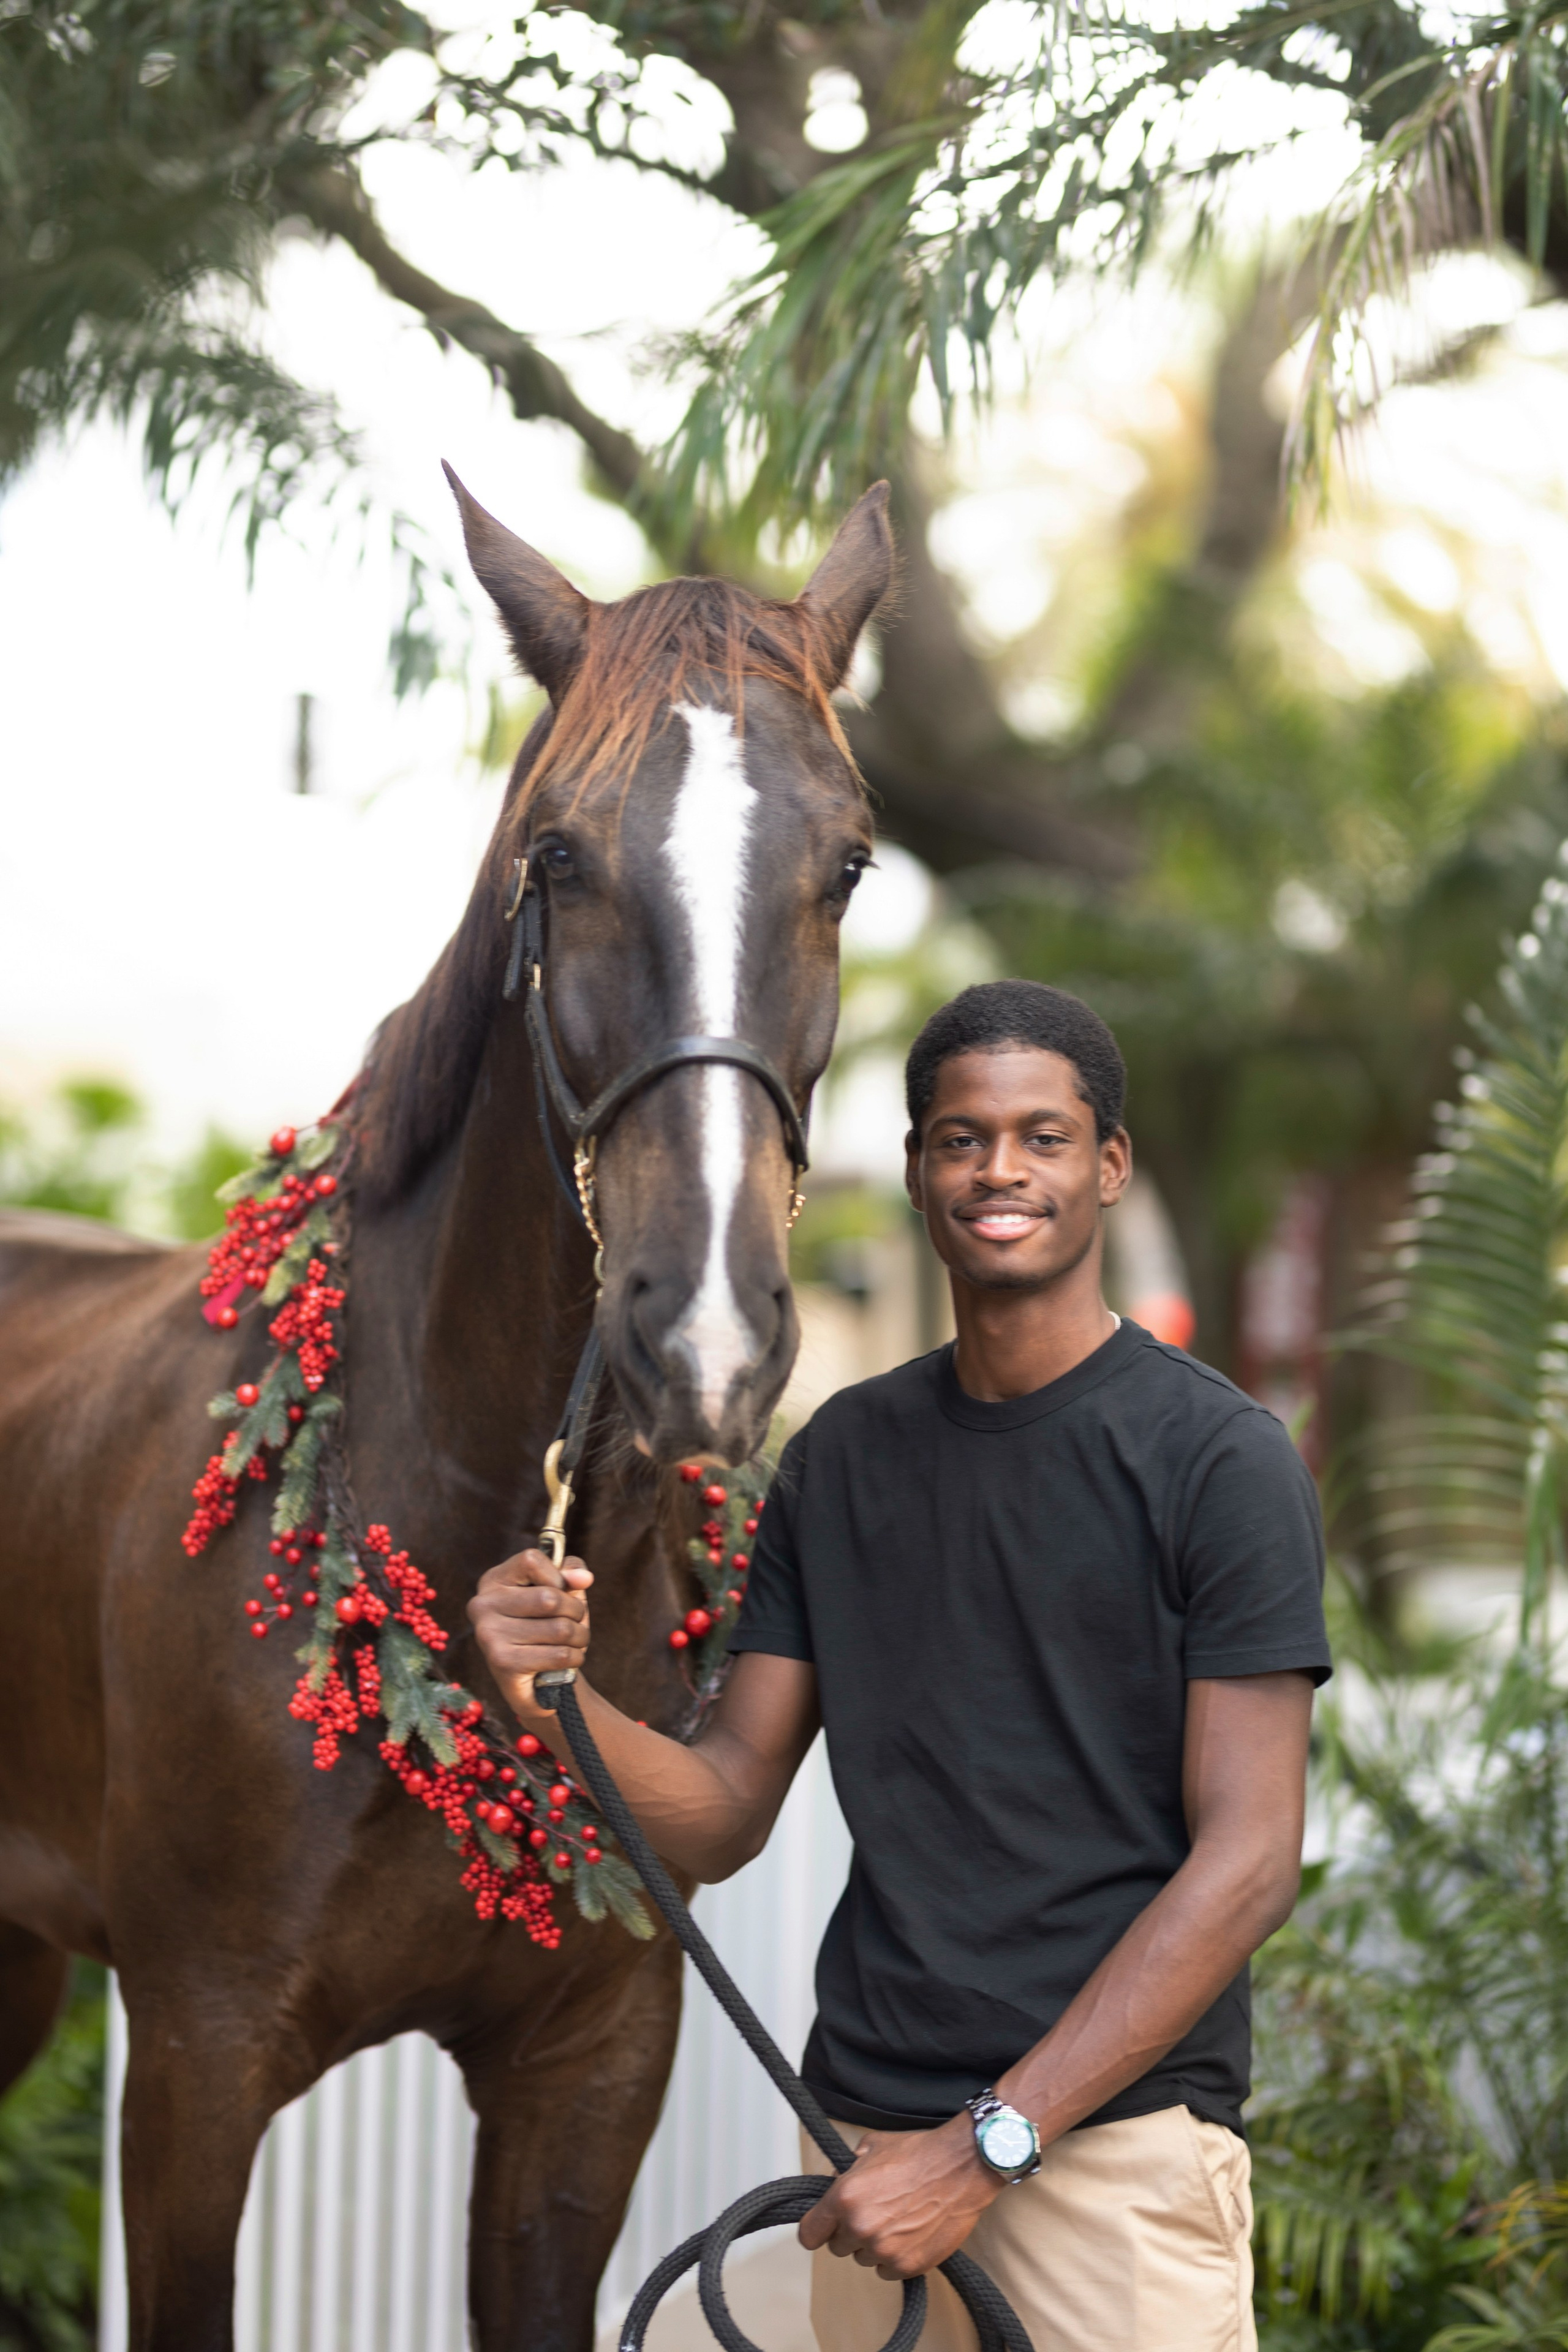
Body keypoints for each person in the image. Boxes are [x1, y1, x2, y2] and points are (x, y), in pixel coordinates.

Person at [469, 978, 1330, 2352]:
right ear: (919, 1170)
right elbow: (725, 1805)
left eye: (1041, 1137)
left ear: (1106, 1167)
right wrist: (551, 1702)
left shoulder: (1214, 1462)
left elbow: (1246, 1862)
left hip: (1102, 2162)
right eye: (959, 1137)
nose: (999, 1169)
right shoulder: (842, 1458)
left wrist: (984, 2147)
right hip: (865, 2148)